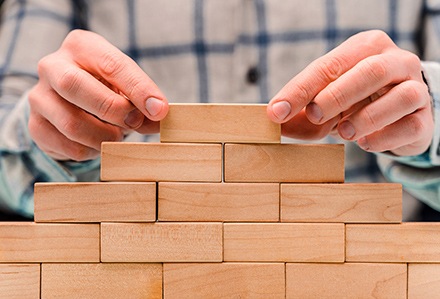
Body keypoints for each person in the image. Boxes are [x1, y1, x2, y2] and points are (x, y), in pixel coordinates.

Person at [0, 0, 439, 219]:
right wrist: (46, 131)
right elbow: (10, 119)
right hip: (133, 269)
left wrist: (427, 115)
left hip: (364, 275)